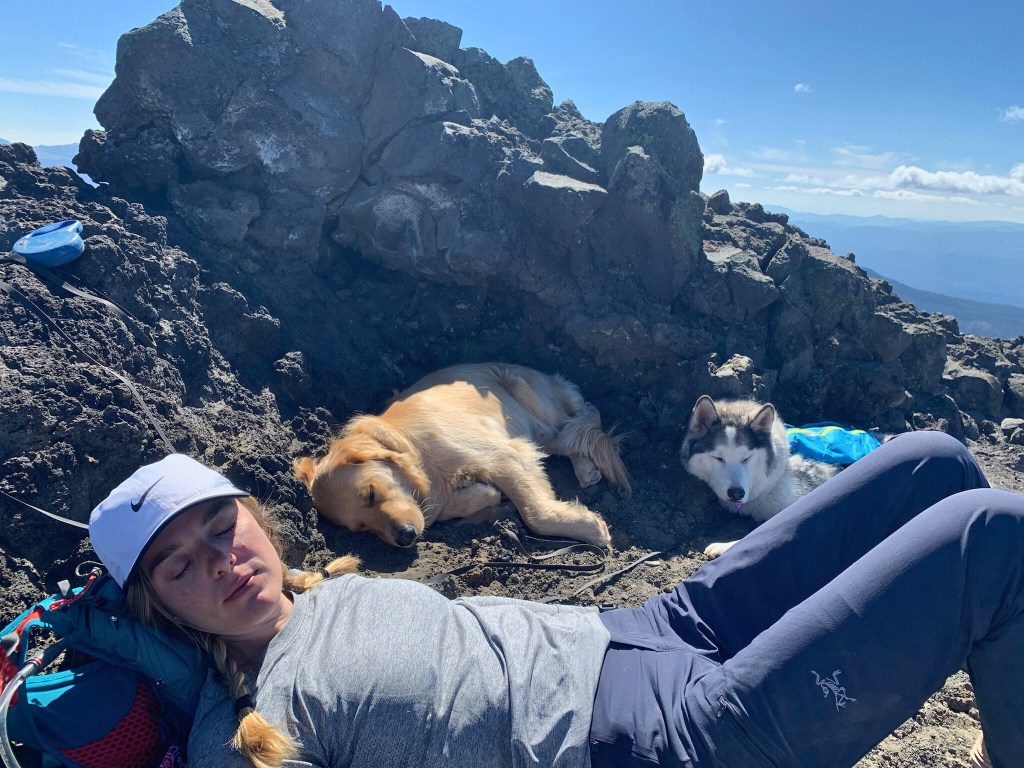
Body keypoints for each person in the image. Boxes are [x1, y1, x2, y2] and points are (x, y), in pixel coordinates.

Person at [86, 431, 1022, 768]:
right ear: (162, 611)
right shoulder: (247, 728)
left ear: (255, 520)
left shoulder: (322, 595)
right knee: (997, 539)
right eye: (178, 567)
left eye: (220, 529)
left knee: (933, 465)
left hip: (647, 630)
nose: (219, 563)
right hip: (661, 745)